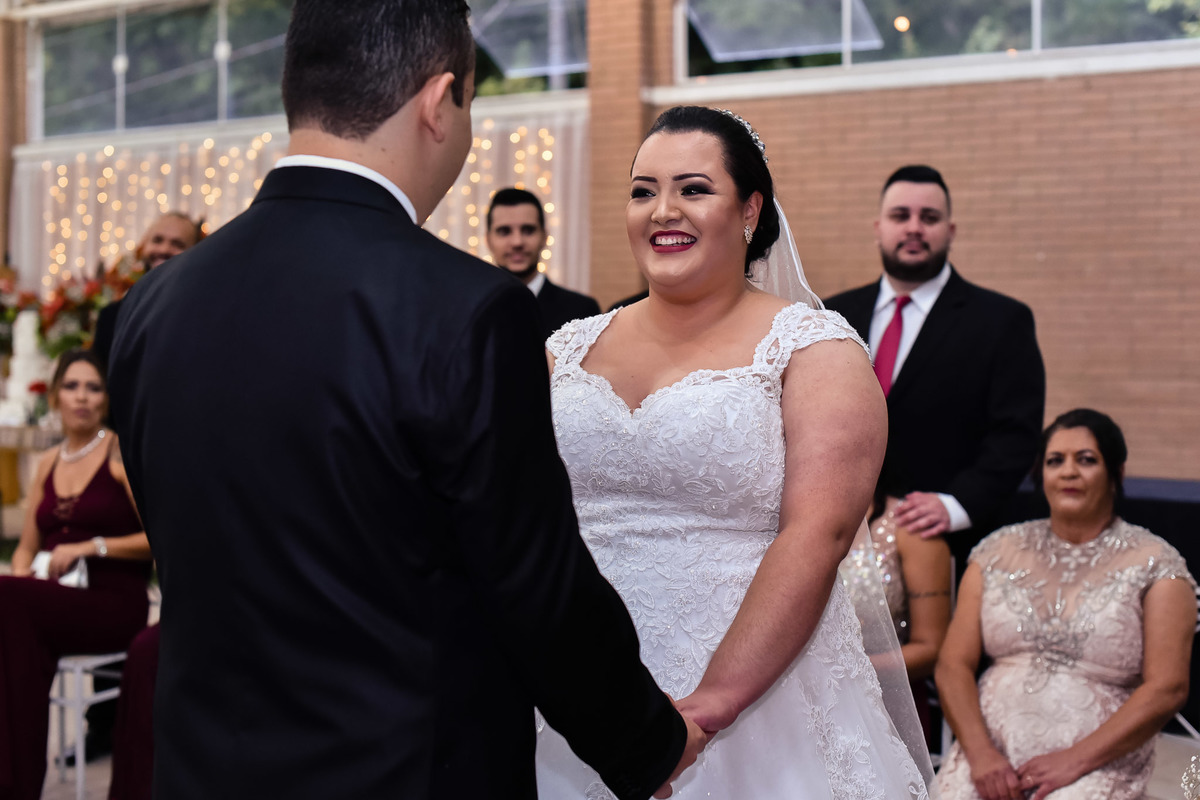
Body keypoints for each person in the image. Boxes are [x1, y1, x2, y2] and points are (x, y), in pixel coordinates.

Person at [105, 2, 702, 798]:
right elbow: (533, 580)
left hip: (207, 766)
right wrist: (646, 743)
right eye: (470, 109)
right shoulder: (465, 309)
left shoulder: (153, 305)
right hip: (402, 768)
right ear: (438, 100)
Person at [535, 105, 931, 798]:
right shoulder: (564, 349)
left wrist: (710, 707)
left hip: (751, 693)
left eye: (693, 189)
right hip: (575, 684)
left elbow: (820, 532)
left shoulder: (815, 350)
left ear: (750, 209)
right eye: (641, 190)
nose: (663, 210)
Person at [935, 408, 1196, 800]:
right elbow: (952, 665)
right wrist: (981, 755)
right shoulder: (996, 551)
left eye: (1086, 460)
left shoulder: (1156, 564)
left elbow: (1168, 688)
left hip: (1097, 761)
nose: (1069, 471)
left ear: (1116, 474)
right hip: (988, 756)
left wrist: (1073, 761)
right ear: (1040, 475)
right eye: (1055, 461)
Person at [824, 165, 1045, 566]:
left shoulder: (1001, 321)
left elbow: (1016, 435)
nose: (914, 228)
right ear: (878, 228)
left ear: (951, 231)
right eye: (900, 216)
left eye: (929, 218)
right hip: (836, 540)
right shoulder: (830, 314)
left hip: (950, 548)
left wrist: (957, 504)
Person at [0, 349, 151, 799]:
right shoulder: (46, 464)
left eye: (93, 387)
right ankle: (16, 779)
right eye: (71, 386)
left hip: (113, 600)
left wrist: (93, 545)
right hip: (53, 603)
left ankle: (12, 783)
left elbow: (159, 540)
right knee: (15, 641)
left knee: (7, 605)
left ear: (105, 399)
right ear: (53, 397)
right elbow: (26, 546)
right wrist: (27, 575)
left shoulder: (118, 453)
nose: (82, 397)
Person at [842, 494, 952, 741]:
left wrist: (842, 670)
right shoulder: (778, 517)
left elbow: (932, 649)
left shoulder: (908, 525)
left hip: (884, 704)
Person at [91, 212, 203, 370]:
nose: (164, 249)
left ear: (196, 252)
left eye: (177, 244)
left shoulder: (203, 318)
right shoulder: (112, 318)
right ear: (144, 247)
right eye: (157, 240)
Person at [485, 187, 600, 338]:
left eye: (528, 230)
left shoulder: (582, 312)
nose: (517, 242)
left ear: (544, 236)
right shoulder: (471, 309)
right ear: (488, 240)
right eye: (504, 231)